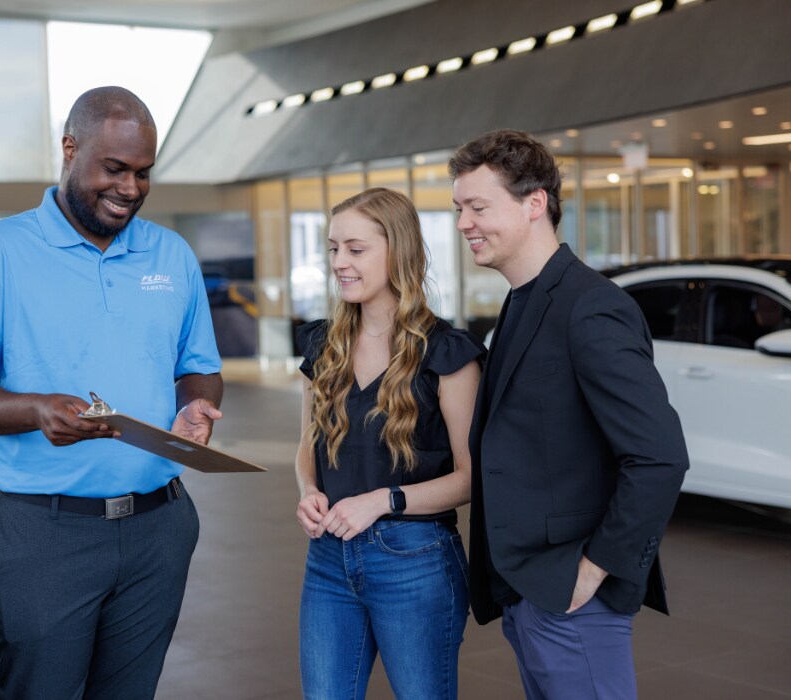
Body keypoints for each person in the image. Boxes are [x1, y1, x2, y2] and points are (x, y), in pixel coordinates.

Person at [0, 86, 223, 700]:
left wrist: (196, 406)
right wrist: (35, 409)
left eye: (144, 173)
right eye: (114, 169)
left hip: (159, 528)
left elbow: (199, 366)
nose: (130, 188)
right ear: (70, 149)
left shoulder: (171, 255)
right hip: (45, 534)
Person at [449, 129, 688, 699]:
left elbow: (659, 458)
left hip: (571, 597)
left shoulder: (592, 307)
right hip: (529, 592)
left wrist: (590, 573)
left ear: (536, 203)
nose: (463, 223)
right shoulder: (519, 301)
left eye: (478, 207)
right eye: (459, 208)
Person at [294, 187, 484, 699]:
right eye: (334, 249)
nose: (339, 263)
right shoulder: (322, 345)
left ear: (397, 251)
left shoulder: (447, 353)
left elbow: (471, 477)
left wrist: (383, 501)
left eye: (355, 249)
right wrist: (309, 490)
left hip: (416, 562)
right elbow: (307, 446)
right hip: (328, 559)